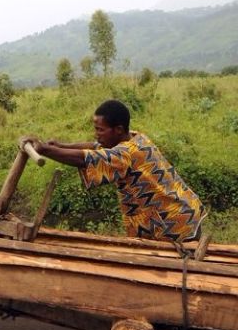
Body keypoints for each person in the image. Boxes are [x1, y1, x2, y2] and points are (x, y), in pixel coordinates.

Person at [25, 99, 206, 243]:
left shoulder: (125, 153)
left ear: (118, 129)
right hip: (183, 211)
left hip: (174, 223)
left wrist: (46, 150)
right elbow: (96, 147)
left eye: (100, 130)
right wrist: (62, 145)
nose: (97, 134)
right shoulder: (135, 137)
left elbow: (86, 158)